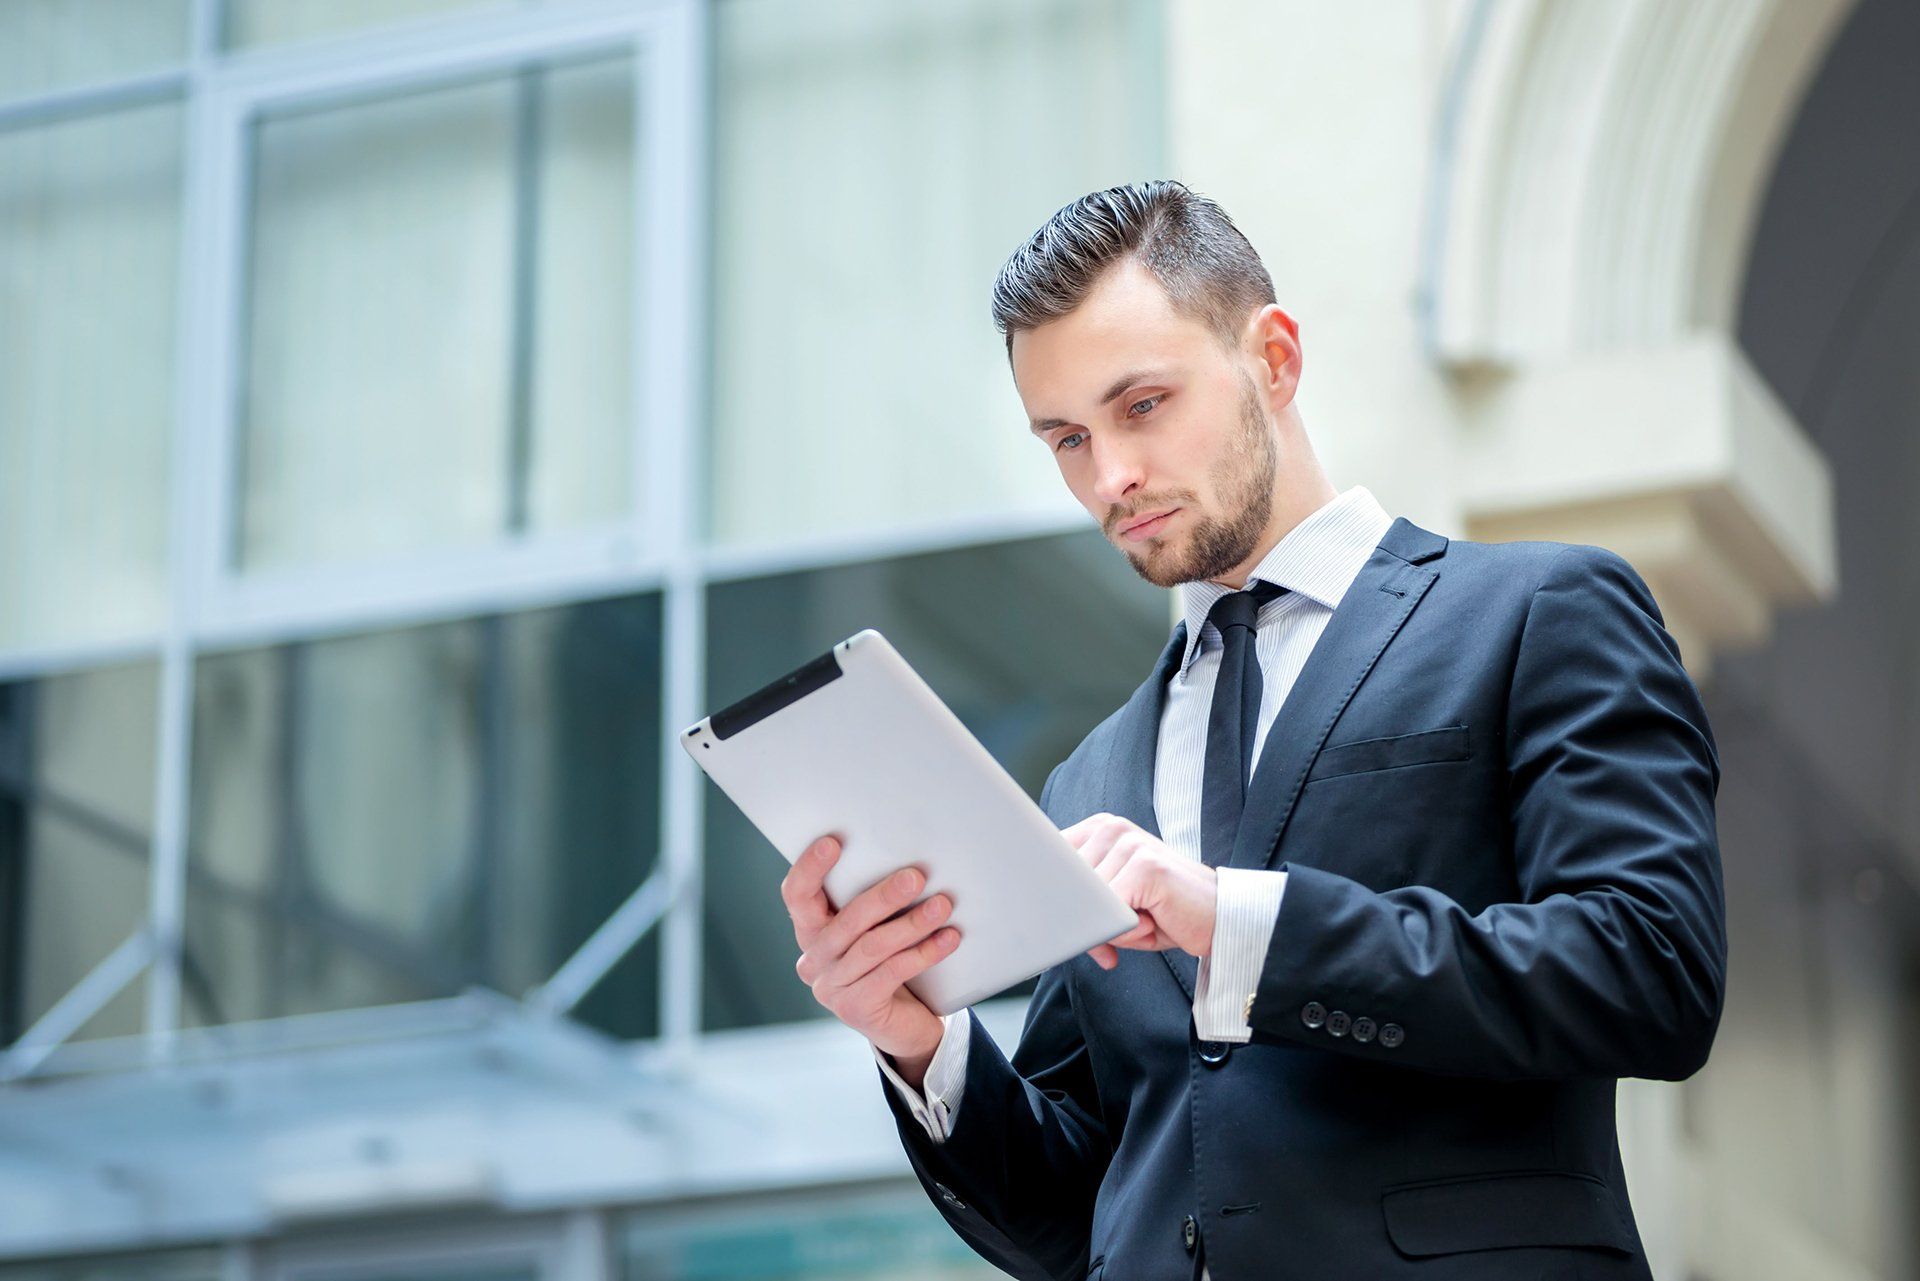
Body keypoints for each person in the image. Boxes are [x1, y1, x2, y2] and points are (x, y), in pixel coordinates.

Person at [778, 180, 1725, 1281]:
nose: (1110, 478)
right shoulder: (1087, 782)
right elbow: (1086, 1215)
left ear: (1273, 360)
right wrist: (921, 1041)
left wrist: (1241, 925)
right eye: (1068, 439)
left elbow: (1650, 969)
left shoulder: (1535, 615)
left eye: (1142, 406)